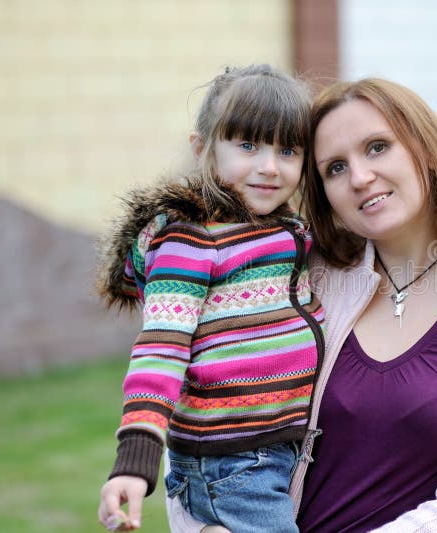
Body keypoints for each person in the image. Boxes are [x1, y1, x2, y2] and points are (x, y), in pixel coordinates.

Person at [168, 77, 437, 532]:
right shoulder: (297, 280)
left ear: (426, 149)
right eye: (334, 167)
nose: (359, 177)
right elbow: (203, 427)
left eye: (377, 147)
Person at [96, 64, 325, 532]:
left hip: (273, 449)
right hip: (232, 463)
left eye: (287, 150)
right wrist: (135, 459)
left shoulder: (284, 229)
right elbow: (162, 347)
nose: (269, 166)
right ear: (203, 149)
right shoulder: (191, 243)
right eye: (247, 145)